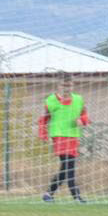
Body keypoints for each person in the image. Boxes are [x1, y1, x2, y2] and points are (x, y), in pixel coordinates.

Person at [38, 73, 89, 202]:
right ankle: (76, 196)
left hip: (73, 137)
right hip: (59, 136)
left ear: (73, 86)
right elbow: (43, 119)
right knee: (69, 166)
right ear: (58, 86)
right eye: (63, 85)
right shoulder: (51, 100)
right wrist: (43, 134)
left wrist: (82, 120)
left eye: (69, 85)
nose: (66, 88)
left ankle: (49, 194)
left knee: (65, 168)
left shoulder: (78, 100)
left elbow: (86, 116)